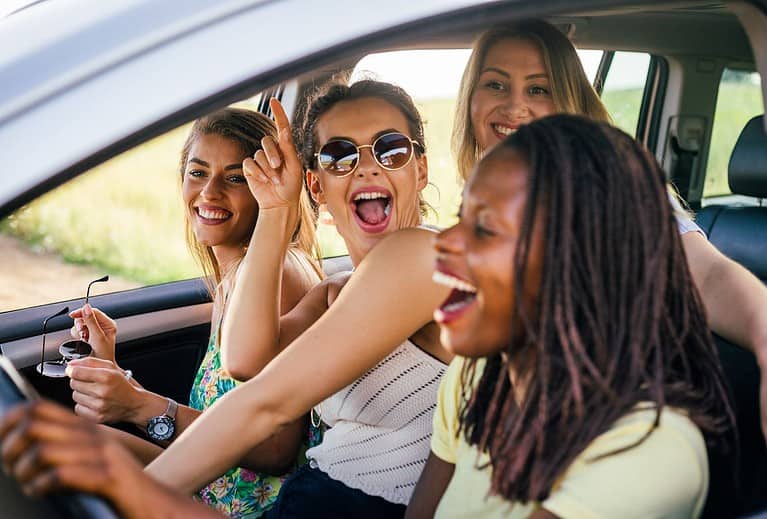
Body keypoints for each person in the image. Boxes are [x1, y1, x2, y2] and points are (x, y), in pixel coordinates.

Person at [451, 20, 767, 441]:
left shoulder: (619, 188)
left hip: (604, 423)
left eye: (539, 89)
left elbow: (705, 275)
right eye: (495, 85)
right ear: (471, 100)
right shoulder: (481, 208)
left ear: (567, 103)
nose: (515, 106)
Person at [406, 114, 735, 518]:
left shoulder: (652, 448)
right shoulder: (475, 378)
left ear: (579, 264)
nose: (446, 243)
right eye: (460, 217)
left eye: (486, 228)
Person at [63, 107, 323, 517]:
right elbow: (224, 417)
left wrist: (137, 404)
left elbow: (276, 451)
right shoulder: (236, 274)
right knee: (68, 445)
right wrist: (116, 374)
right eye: (198, 173)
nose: (210, 193)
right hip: (207, 486)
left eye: (235, 178)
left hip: (250, 510)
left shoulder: (279, 277)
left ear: (270, 185)